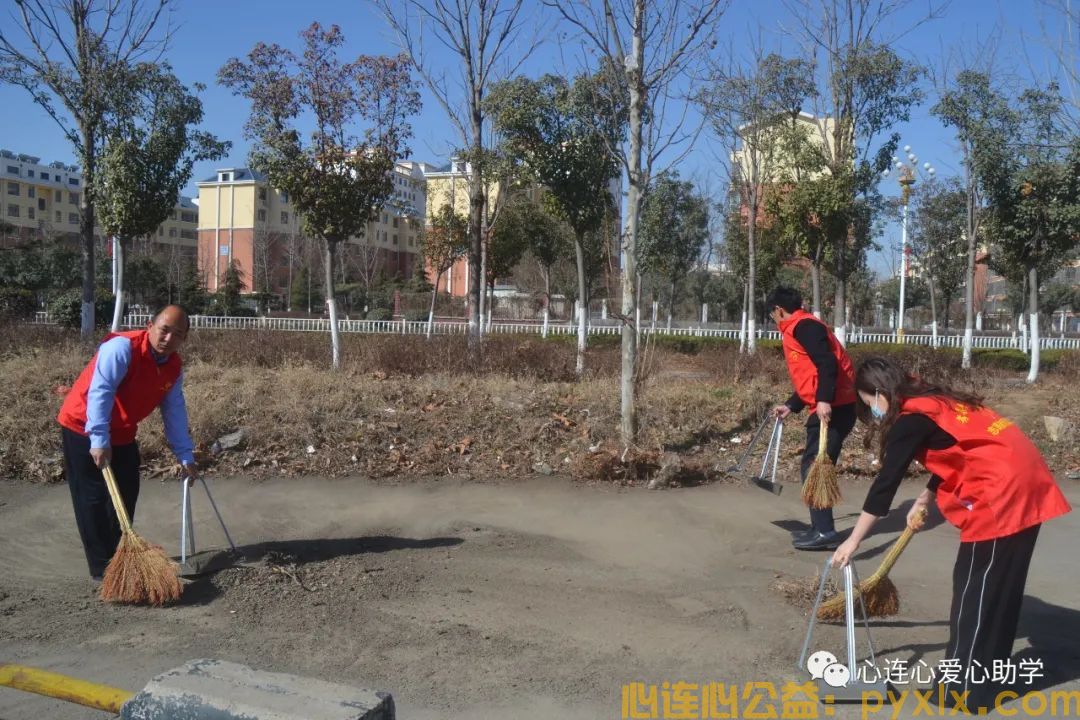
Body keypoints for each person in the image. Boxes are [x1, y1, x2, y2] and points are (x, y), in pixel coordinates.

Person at [832, 357, 1071, 709]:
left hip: (1000, 496)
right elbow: (956, 448)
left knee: (976, 591)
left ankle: (963, 691)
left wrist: (853, 540)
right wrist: (925, 498)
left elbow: (885, 485)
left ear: (880, 392)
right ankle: (984, 682)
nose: (873, 412)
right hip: (1022, 482)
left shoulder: (911, 420)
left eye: (870, 404)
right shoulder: (937, 400)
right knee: (998, 592)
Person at [57, 305, 198, 581]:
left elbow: (174, 409)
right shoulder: (122, 349)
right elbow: (101, 391)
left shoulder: (173, 366)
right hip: (83, 427)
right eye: (164, 330)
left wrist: (185, 454)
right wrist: (98, 439)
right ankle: (102, 571)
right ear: (150, 325)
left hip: (122, 431)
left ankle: (120, 557)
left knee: (126, 493)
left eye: (177, 334)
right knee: (94, 499)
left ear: (184, 339)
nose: (168, 338)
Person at [766, 287, 857, 550]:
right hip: (831, 404)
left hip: (835, 408)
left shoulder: (804, 327)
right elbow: (811, 375)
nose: (773, 320)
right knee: (813, 465)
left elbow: (827, 365)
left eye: (772, 315)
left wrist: (824, 400)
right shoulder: (800, 327)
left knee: (815, 467)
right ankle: (820, 528)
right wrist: (792, 405)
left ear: (778, 310)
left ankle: (825, 532)